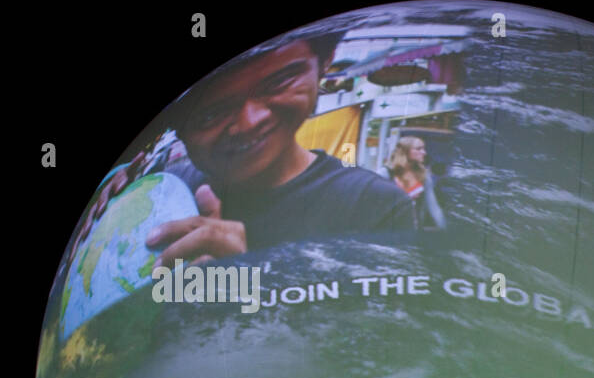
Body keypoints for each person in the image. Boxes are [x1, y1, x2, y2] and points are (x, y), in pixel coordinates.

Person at [73, 33, 416, 266]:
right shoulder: (166, 189)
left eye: (280, 81)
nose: (250, 121)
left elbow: (379, 350)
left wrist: (245, 284)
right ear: (179, 129)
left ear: (324, 61)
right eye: (211, 112)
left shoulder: (376, 208)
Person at [384, 135, 447, 230]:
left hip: (412, 228)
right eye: (418, 149)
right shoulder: (386, 174)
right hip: (388, 228)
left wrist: (444, 228)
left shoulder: (424, 176)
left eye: (423, 149)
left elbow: (434, 207)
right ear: (405, 151)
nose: (424, 152)